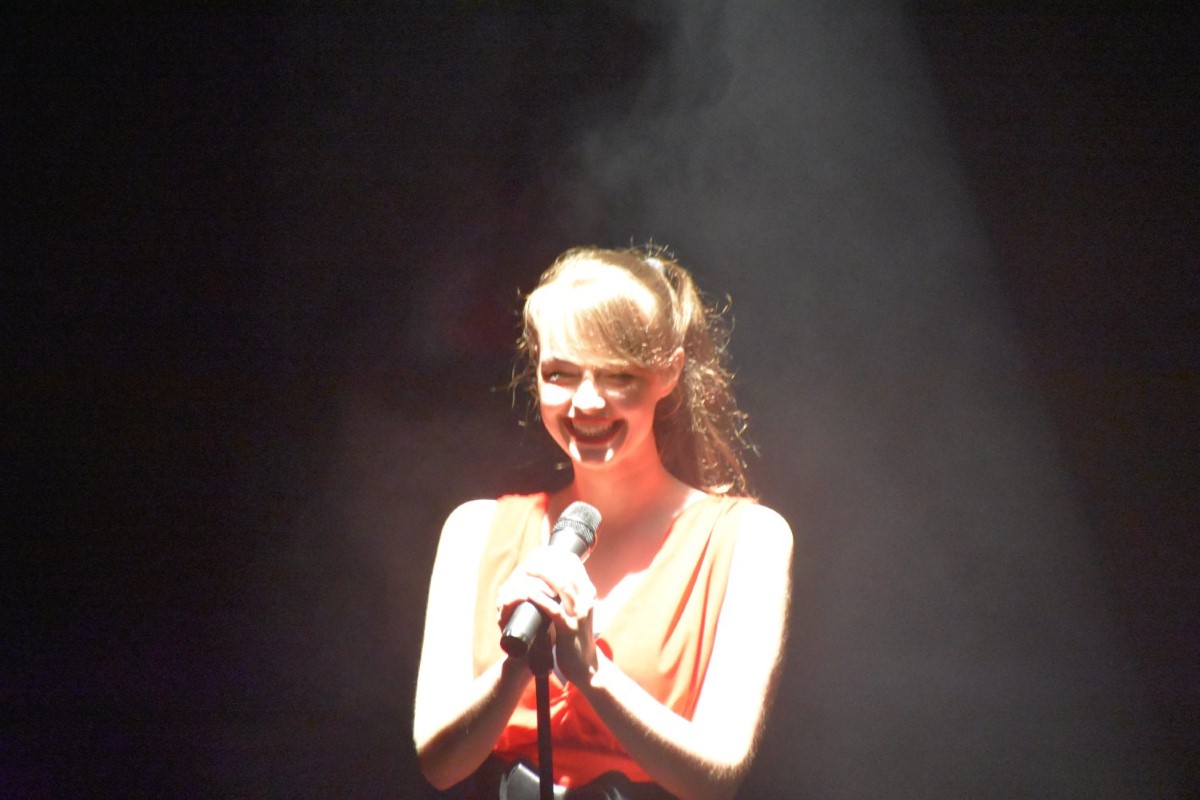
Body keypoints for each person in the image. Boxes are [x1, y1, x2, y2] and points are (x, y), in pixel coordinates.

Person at [412, 246, 793, 800]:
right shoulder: (474, 531)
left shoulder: (748, 539)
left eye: (618, 375)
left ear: (669, 372)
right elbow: (439, 764)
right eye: (560, 374)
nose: (587, 402)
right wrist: (519, 665)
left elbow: (716, 778)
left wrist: (592, 674)